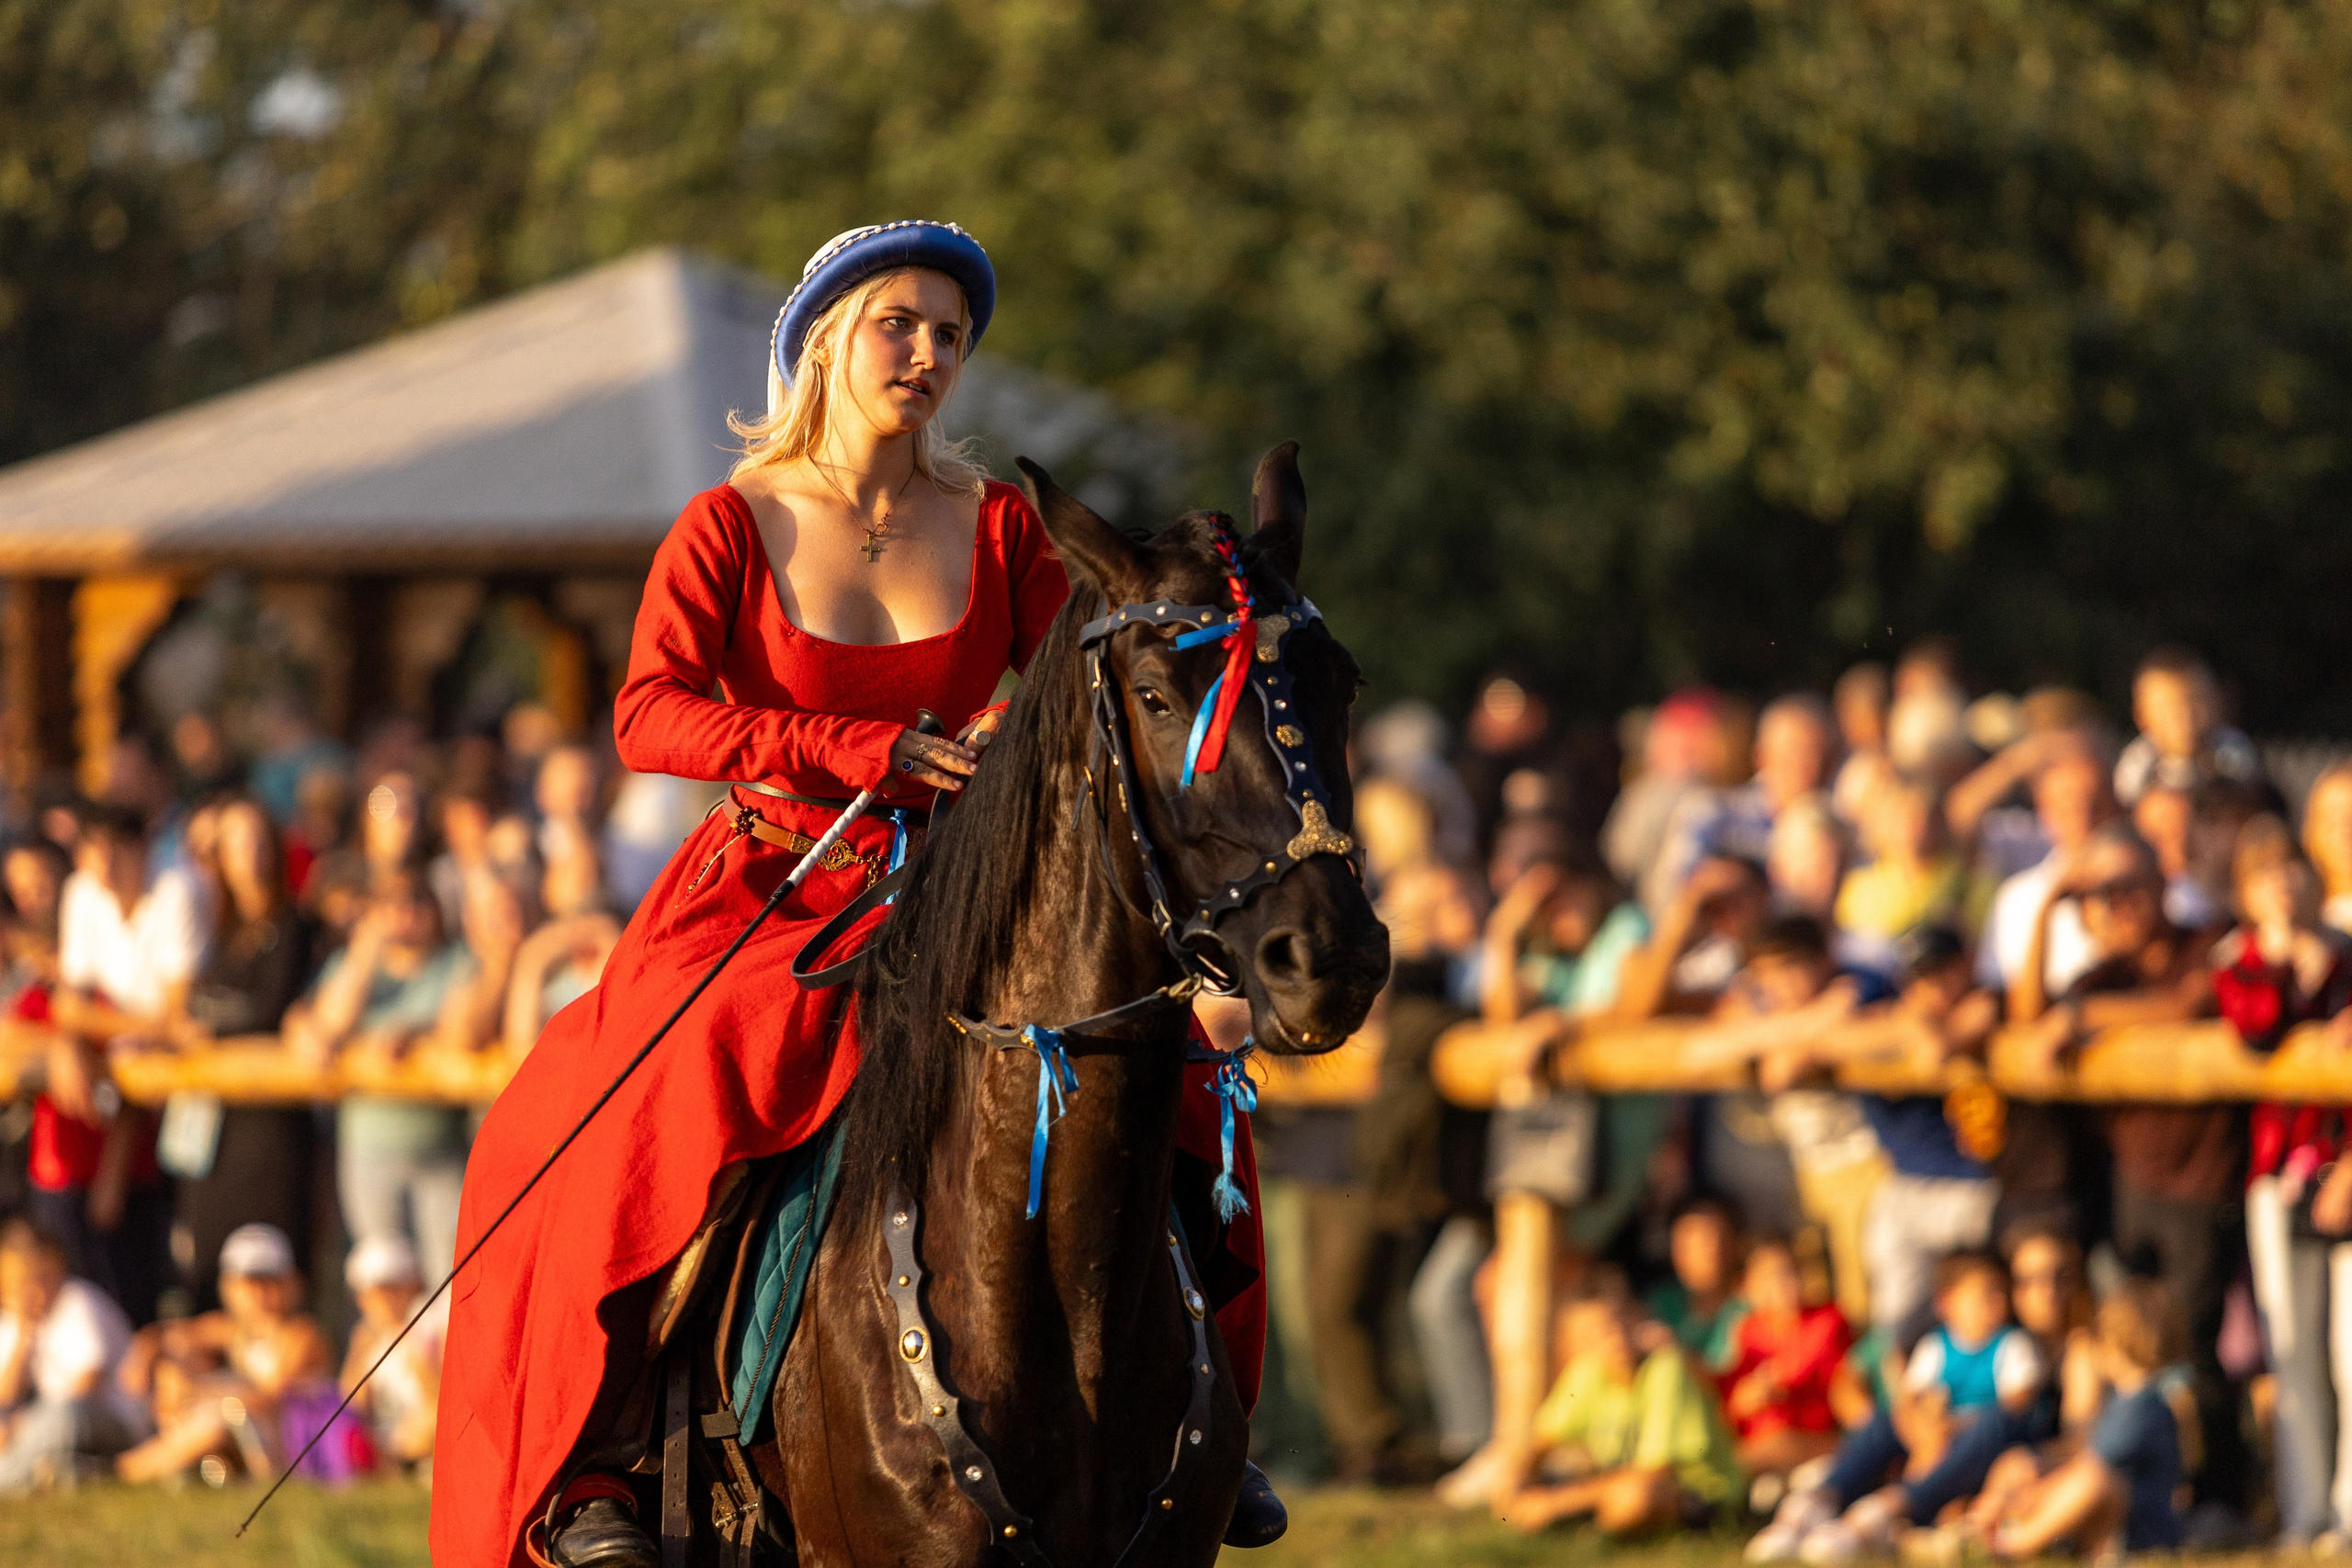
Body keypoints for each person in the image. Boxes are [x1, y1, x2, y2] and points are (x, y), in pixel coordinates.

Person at [432, 223, 1276, 1568]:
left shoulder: (1000, 525)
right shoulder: (732, 521)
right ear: (826, 339)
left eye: (950, 334)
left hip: (965, 878)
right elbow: (649, 714)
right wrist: (843, 751)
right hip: (777, 880)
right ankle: (603, 1459)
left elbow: (1091, 686)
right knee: (643, 1092)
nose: (931, 354)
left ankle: (1199, 1420)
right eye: (902, 325)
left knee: (1164, 1068)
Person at [2009, 821, 2248, 1509]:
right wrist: (2052, 898)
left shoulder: (2206, 941)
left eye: (2125, 888)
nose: (2112, 906)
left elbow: (2188, 1004)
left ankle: (2219, 1498)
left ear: (2160, 885)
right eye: (2098, 895)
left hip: (2201, 1181)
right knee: (2129, 1349)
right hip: (2130, 1185)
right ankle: (2148, 1493)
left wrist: (2084, 1015)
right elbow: (2029, 1014)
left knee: (2195, 1348)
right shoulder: (2103, 972)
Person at [2222, 819, 2352, 1544]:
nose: (2282, 883)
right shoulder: (2241, 963)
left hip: (2346, 1166)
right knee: (2293, 1343)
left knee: (2351, 1343)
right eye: (2265, 873)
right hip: (2279, 1175)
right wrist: (2286, 956)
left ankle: (2351, 1508)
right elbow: (2256, 1025)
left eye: (2290, 868)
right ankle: (2305, 1507)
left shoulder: (2351, 958)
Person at [1748, 1250, 2045, 1563]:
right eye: (1986, 1295)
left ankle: (1879, 1514)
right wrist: (1926, 1433)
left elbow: (2017, 1404)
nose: (1997, 1303)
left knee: (1993, 1424)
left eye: (2001, 1293)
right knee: (1882, 1423)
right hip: (1932, 1437)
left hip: (1976, 1447)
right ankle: (1817, 1502)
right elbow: (1910, 1401)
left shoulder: (2013, 1345)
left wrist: (1949, 1430)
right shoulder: (1935, 1346)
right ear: (1946, 1303)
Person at [40, 804, 202, 1324]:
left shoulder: (179, 889)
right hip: (118, 1091)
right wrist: (71, 1040)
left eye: (115, 848)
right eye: (91, 849)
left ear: (143, 849)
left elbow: (180, 1016)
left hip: (179, 1105)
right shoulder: (82, 894)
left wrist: (93, 1027)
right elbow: (70, 1003)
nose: (103, 863)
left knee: (163, 1249)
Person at [285, 870, 476, 1289]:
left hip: (440, 1150)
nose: (405, 915)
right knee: (377, 1283)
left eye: (415, 902)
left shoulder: (457, 961)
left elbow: (465, 1024)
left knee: (449, 1280)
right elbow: (328, 1024)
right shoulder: (348, 965)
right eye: (391, 905)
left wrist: (413, 1034)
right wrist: (367, 948)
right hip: (368, 1149)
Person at [170, 797, 319, 1307]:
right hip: (212, 1124)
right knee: (209, 1262)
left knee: (270, 1263)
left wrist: (208, 1029)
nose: (247, 854)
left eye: (256, 839)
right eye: (232, 843)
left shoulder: (296, 926)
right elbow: (182, 1004)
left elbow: (272, 1010)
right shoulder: (213, 930)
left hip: (271, 1125)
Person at [1928, 1279, 2188, 1562]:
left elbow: (2092, 1465)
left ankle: (2011, 1544)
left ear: (2111, 1343)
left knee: (2094, 1480)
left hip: (2139, 1531)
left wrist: (2029, 1495)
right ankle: (1977, 1526)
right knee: (2020, 1462)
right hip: (2109, 1523)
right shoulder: (2124, 1400)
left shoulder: (2144, 1406)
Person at [1505, 1293, 1745, 1535]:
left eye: (1621, 1321)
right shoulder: (1587, 1372)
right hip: (1625, 1483)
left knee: (1635, 1498)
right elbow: (1540, 1440)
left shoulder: (1667, 1368)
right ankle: (1587, 1522)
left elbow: (1654, 1472)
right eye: (1599, 1333)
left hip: (1698, 1494)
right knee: (1517, 1480)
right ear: (1575, 1347)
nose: (1617, 1337)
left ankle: (1584, 1526)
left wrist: (1555, 1503)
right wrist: (1517, 1484)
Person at [114, 1222, 332, 1483]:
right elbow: (165, 1336)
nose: (260, 1295)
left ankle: (124, 1469)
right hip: (249, 1434)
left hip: (293, 1445)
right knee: (177, 1362)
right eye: (250, 1284)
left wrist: (196, 1391)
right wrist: (144, 1356)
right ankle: (187, 1466)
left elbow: (271, 1397)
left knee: (215, 1422)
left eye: (270, 1283)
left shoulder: (301, 1335)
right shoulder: (234, 1330)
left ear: (291, 1285)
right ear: (230, 1288)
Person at [0, 1218, 148, 1493]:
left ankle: (6, 1481)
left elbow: (87, 1385)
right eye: (21, 1283)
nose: (34, 1291)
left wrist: (27, 1424)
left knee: (63, 1416)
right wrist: (23, 1337)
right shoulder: (15, 1321)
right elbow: (6, 1395)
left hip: (115, 1419)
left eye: (41, 1278)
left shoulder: (78, 1300)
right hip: (53, 1423)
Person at [1720, 1235, 1852, 1483]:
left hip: (1814, 1439)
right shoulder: (1748, 1331)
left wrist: (1771, 1383)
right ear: (1747, 1287)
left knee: (1774, 1445)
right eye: (1769, 1277)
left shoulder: (1828, 1319)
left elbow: (1809, 1372)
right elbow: (1731, 1404)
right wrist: (1746, 1397)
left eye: (1789, 1271)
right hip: (1761, 1443)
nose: (1783, 1284)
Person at [2111, 646, 2261, 807]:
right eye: (2167, 709)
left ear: (2216, 704)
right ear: (2142, 717)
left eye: (2195, 703)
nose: (2185, 718)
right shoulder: (2137, 768)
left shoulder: (2233, 754)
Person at [340, 1235, 441, 1469]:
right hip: (386, 1430)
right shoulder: (366, 1337)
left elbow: (435, 1397)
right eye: (377, 1293)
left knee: (428, 1426)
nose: (386, 1301)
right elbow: (353, 1400)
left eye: (394, 1290)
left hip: (418, 1424)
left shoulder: (427, 1329)